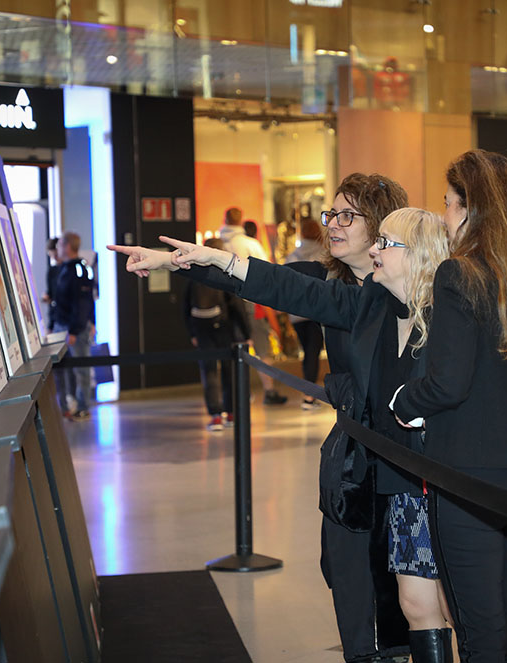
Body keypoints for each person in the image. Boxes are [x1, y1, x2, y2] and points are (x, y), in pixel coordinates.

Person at [113, 206, 455, 663]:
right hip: (390, 478)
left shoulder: (454, 315)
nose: (340, 228)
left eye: (379, 238)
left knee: (456, 606)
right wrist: (207, 259)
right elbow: (285, 287)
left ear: (418, 252)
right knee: (412, 603)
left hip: (445, 486)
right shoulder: (370, 300)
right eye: (331, 212)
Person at [391, 150, 507, 662]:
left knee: (481, 632)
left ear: (475, 212)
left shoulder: (459, 274)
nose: (446, 217)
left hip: (469, 481)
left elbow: (447, 384)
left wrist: (403, 399)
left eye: (451, 205)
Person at [219, 207, 288, 405]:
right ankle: (269, 390)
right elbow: (267, 274)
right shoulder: (250, 244)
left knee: (232, 350)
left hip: (225, 306)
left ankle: (234, 394)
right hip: (250, 304)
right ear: (240, 221)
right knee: (262, 349)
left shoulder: (219, 244)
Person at [183, 237, 251, 432]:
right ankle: (230, 413)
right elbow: (237, 305)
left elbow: (185, 306)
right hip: (224, 326)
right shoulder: (224, 273)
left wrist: (192, 332)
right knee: (229, 370)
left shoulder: (194, 272)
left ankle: (215, 416)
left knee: (209, 371)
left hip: (200, 327)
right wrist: (246, 333)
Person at [284, 216, 327, 410]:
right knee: (313, 352)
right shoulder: (326, 254)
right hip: (318, 311)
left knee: (306, 352)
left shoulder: (293, 256)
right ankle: (310, 395)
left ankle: (308, 393)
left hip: (297, 312)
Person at [54, 231, 95, 419]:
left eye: (60, 244)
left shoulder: (80, 269)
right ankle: (65, 405)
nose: (57, 248)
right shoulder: (63, 269)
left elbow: (84, 302)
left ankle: (83, 405)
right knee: (62, 370)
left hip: (74, 329)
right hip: (61, 326)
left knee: (81, 369)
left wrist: (75, 329)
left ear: (68, 247)